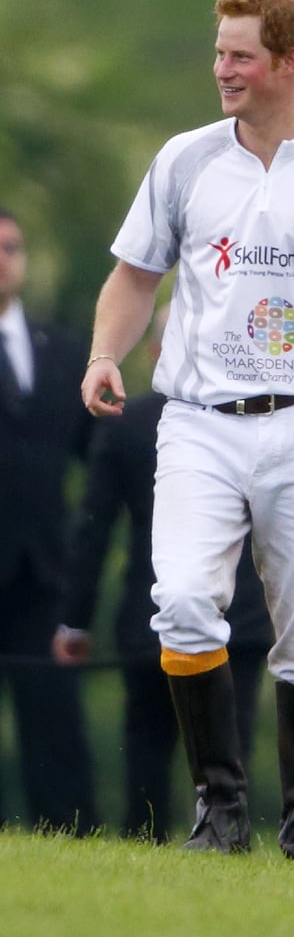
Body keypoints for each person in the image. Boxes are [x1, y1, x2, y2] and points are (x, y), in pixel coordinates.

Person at [80, 0, 294, 860]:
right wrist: (106, 354)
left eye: (239, 55)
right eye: (218, 53)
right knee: (180, 599)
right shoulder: (184, 159)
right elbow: (137, 275)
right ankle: (219, 814)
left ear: (288, 62)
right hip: (199, 418)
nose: (221, 69)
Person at [54, 305, 274, 842]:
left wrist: (74, 622)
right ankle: (230, 832)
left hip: (146, 611)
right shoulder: (263, 419)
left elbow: (94, 528)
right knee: (233, 742)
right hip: (240, 612)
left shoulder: (127, 427)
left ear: (158, 353)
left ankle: (143, 838)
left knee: (146, 750)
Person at [0, 206, 98, 835]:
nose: (3, 258)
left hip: (41, 561)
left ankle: (64, 829)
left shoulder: (62, 352)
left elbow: (95, 456)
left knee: (52, 710)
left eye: (12, 247)